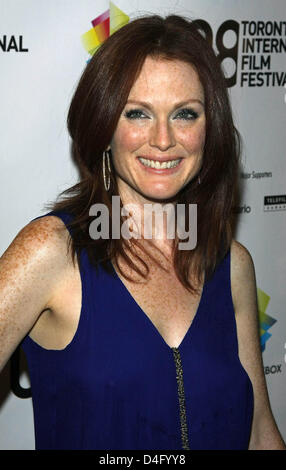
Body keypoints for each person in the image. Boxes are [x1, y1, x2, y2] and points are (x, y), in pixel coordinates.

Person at [0, 14, 285, 451]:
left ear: (209, 129)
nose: (164, 139)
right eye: (138, 113)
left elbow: (260, 435)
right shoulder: (52, 252)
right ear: (104, 124)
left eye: (185, 114)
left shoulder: (233, 265)